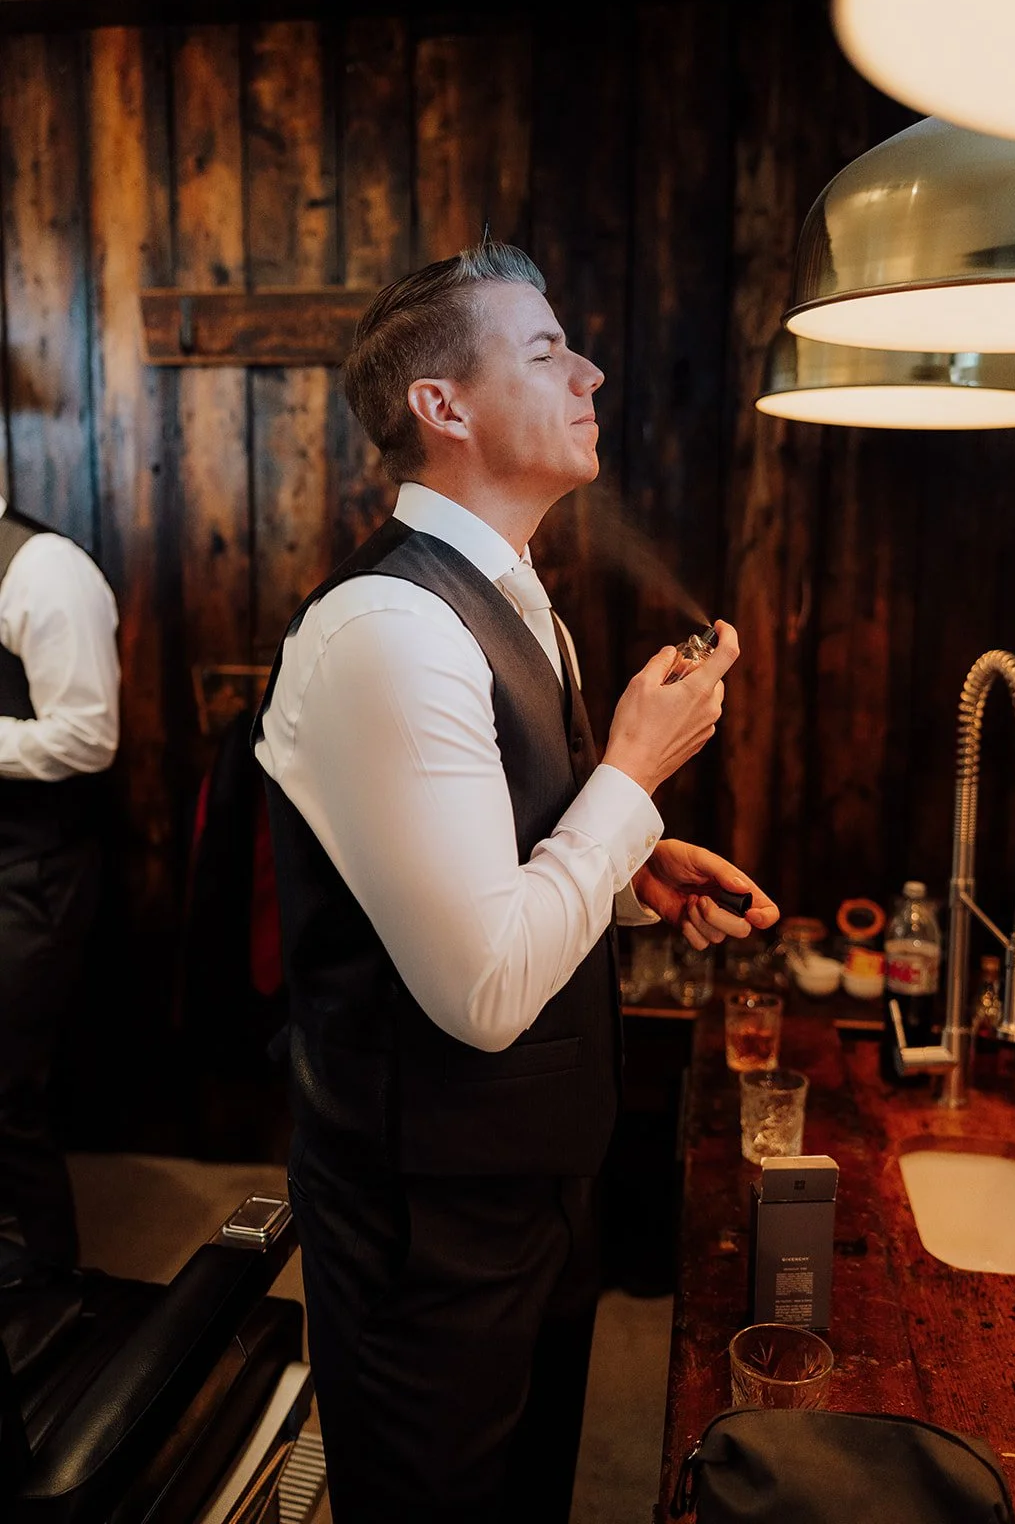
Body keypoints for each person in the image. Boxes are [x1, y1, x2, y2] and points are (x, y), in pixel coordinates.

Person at [253, 242, 779, 1524]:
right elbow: (482, 989)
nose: (589, 372)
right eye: (546, 351)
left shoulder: (520, 599)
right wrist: (632, 774)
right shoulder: (390, 628)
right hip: (426, 1217)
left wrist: (629, 872)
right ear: (442, 405)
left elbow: (498, 860)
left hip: (538, 1175)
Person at [0, 495, 120, 1267]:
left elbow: (87, 737)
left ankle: (44, 1289)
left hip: (28, 868)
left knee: (3, 1091)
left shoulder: (43, 570)